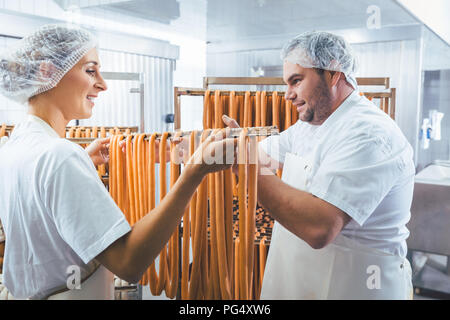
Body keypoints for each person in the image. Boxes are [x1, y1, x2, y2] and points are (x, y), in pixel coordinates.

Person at [0, 24, 235, 300]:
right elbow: (129, 261)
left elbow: (40, 216)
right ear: (47, 72)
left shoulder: (13, 148)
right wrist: (194, 173)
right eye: (90, 70)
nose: (103, 83)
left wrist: (83, 163)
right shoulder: (59, 156)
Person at [223, 31, 415, 300]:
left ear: (333, 73)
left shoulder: (370, 134)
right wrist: (209, 150)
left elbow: (319, 227)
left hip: (358, 287)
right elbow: (263, 154)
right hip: (307, 281)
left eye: (296, 81)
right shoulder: (311, 126)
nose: (287, 95)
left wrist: (248, 166)